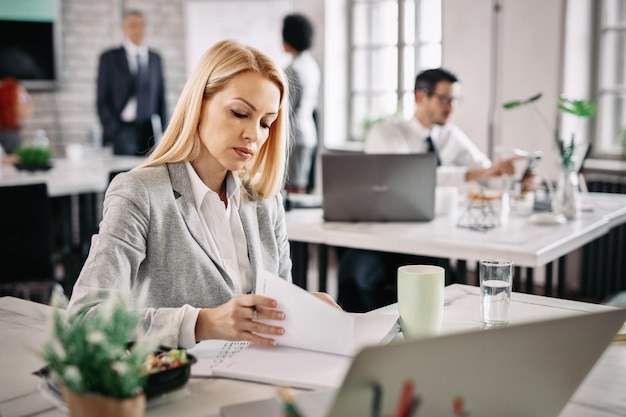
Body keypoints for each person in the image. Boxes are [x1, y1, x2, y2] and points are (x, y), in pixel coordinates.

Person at [68, 40, 338, 349]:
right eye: (239, 113)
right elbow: (85, 316)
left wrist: (303, 309)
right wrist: (203, 324)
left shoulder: (265, 202)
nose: (254, 134)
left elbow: (273, 310)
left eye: (266, 123)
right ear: (199, 103)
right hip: (177, 385)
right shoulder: (140, 193)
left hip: (258, 378)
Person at [338, 68, 522, 313]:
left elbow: (486, 172)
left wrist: (513, 178)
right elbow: (411, 179)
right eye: (445, 99)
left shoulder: (451, 136)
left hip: (427, 239)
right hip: (380, 237)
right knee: (354, 280)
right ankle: (364, 346)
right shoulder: (386, 134)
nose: (451, 107)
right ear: (420, 97)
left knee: (447, 288)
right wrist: (478, 174)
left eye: (455, 100)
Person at [96, 9, 167, 156]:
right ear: (124, 28)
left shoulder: (155, 59)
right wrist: (112, 128)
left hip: (149, 129)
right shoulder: (109, 58)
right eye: (132, 25)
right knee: (126, 174)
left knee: (150, 173)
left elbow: (161, 97)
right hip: (123, 129)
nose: (137, 29)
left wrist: (165, 131)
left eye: (140, 25)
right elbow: (102, 98)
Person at [282, 13, 320, 194]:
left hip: (294, 134)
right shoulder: (311, 65)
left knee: (294, 187)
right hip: (309, 131)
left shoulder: (292, 68)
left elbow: (286, 108)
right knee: (301, 184)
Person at [0, 77, 33, 157]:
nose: (28, 102)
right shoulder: (8, 135)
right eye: (22, 98)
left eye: (27, 97)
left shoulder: (10, 132)